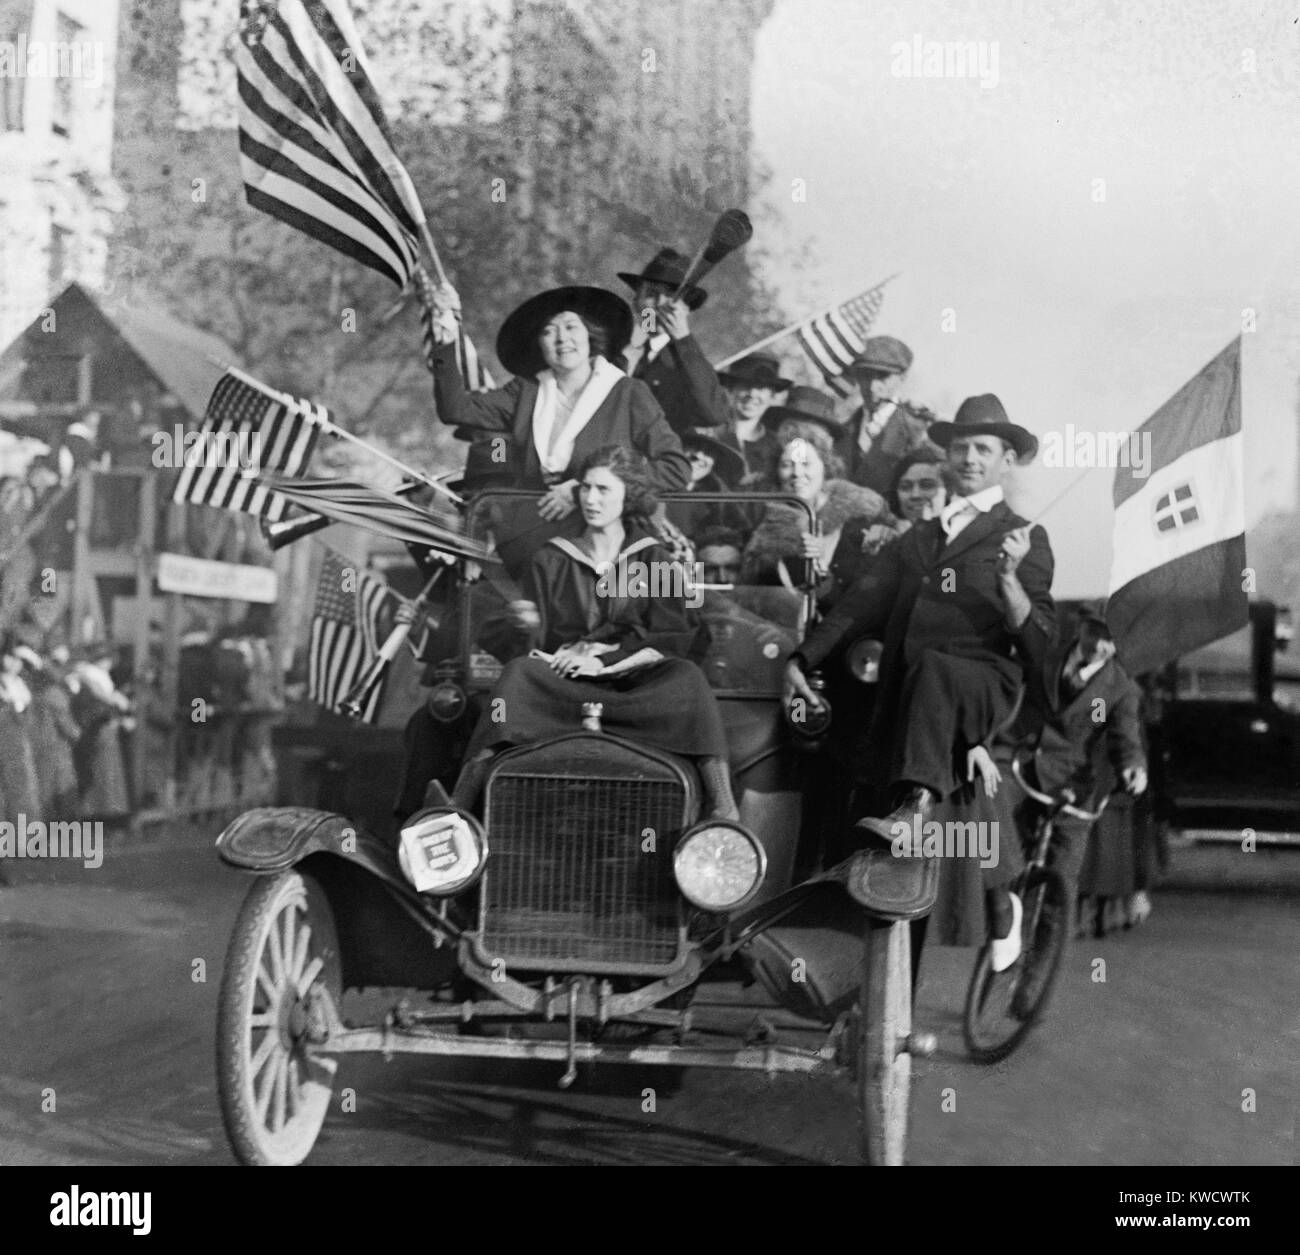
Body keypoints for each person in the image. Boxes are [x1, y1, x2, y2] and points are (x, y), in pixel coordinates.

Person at [784, 393, 1056, 970]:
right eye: (960, 448)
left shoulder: (1026, 537)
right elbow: (859, 606)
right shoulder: (919, 538)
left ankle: (916, 803)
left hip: (983, 689)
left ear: (1007, 460)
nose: (970, 458)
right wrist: (801, 658)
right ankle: (885, 1011)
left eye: (984, 448)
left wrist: (1009, 580)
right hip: (914, 706)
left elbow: (1039, 646)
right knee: (906, 866)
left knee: (935, 682)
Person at [450, 445, 737, 820]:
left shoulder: (654, 559)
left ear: (628, 497)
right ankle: (460, 801)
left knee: (688, 678)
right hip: (566, 687)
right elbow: (539, 648)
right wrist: (526, 626)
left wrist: (603, 660)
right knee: (518, 675)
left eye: (604, 490)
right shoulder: (551, 558)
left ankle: (722, 803)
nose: (591, 499)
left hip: (635, 686)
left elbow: (672, 636)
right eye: (586, 488)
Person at [422, 279, 691, 517]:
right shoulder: (525, 391)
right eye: (549, 331)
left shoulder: (628, 392)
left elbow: (676, 469)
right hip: (532, 530)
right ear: (540, 344)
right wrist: (446, 329)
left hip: (608, 534)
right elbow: (455, 409)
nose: (562, 338)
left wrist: (594, 487)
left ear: (590, 335)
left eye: (571, 327)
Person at [739, 392, 893, 608]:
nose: (796, 473)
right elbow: (754, 591)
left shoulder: (861, 515)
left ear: (825, 466)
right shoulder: (764, 522)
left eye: (806, 464)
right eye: (787, 465)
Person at [615, 247, 731, 433]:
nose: (660, 303)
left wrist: (683, 338)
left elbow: (715, 414)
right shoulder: (616, 349)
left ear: (685, 309)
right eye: (651, 294)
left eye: (671, 296)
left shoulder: (688, 363)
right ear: (637, 301)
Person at [836, 336, 942, 494]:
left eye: (882, 376)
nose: (872, 386)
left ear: (902, 378)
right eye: (865, 375)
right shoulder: (841, 432)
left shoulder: (919, 430)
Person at [716, 352, 792, 486]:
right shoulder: (711, 435)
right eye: (745, 385)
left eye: (761, 388)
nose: (752, 394)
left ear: (772, 395)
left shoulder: (778, 447)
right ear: (730, 390)